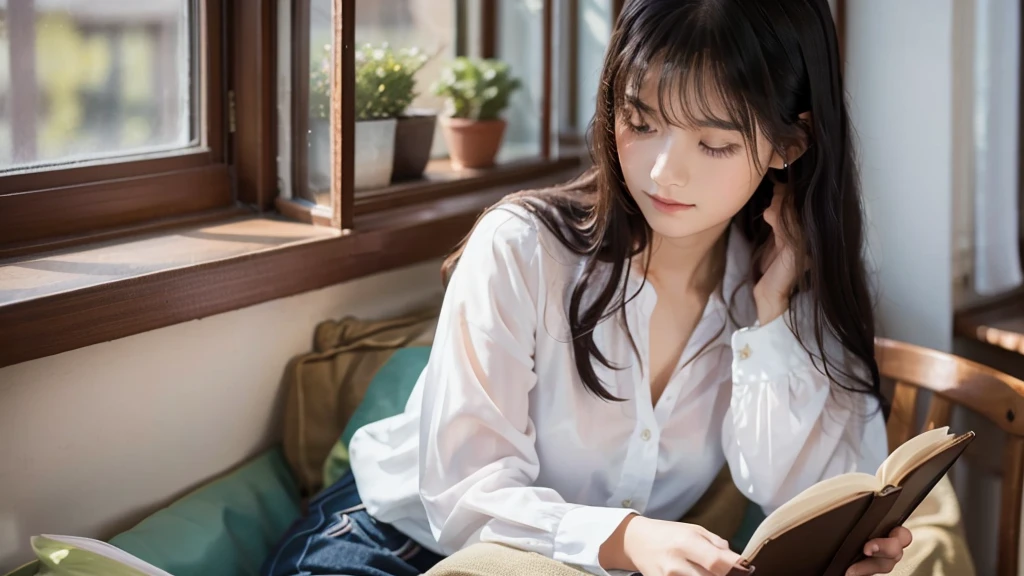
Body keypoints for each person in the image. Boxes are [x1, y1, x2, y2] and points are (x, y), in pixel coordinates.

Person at [263, 1, 914, 575]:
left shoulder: (784, 290)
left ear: (788, 145)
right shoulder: (522, 249)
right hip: (392, 544)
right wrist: (627, 539)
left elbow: (807, 493)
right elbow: (463, 496)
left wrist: (772, 319)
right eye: (640, 121)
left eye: (712, 143)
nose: (664, 171)